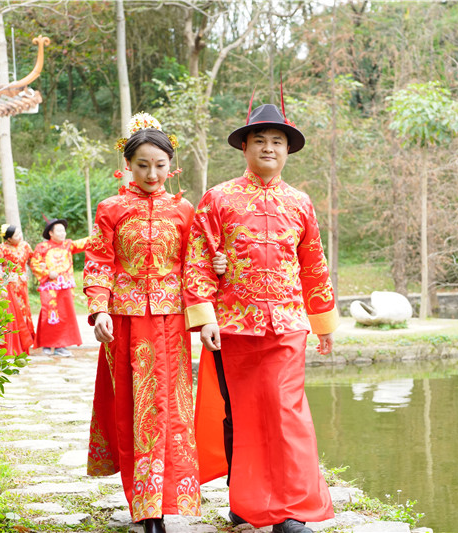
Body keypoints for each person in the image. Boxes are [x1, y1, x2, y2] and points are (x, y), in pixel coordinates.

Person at [182, 102, 339, 533]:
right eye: (260, 141)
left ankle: (289, 512)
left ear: (287, 150)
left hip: (286, 327)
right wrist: (205, 317)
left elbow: (313, 266)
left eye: (277, 142)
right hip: (233, 328)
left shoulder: (300, 203)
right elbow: (197, 260)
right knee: (240, 416)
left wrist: (323, 324)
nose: (269, 148)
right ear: (245, 147)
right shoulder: (218, 199)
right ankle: (245, 501)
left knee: (287, 414)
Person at [83, 113, 226, 533]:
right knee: (134, 411)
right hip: (124, 325)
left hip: (171, 324)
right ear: (127, 164)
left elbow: (195, 264)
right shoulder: (111, 209)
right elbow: (99, 260)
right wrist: (100, 308)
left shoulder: (184, 210)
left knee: (169, 410)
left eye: (160, 165)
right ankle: (145, 507)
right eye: (142, 165)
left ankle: (164, 502)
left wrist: (215, 273)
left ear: (171, 165)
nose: (151, 174)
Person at [29, 217, 88, 356]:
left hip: (65, 286)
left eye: (64, 231)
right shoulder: (42, 247)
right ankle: (47, 344)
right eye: (59, 231)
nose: (63, 233)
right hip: (50, 288)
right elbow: (34, 264)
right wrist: (48, 273)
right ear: (51, 233)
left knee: (65, 315)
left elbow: (85, 242)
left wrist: (102, 232)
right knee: (49, 314)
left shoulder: (68, 245)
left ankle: (61, 346)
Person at [0, 224, 35, 356]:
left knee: (23, 313)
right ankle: (11, 347)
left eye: (20, 233)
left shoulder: (26, 246)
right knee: (12, 315)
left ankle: (23, 346)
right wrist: (0, 284)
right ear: (9, 239)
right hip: (8, 287)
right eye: (16, 235)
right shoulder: (2, 248)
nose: (20, 236)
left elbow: (34, 261)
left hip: (22, 286)